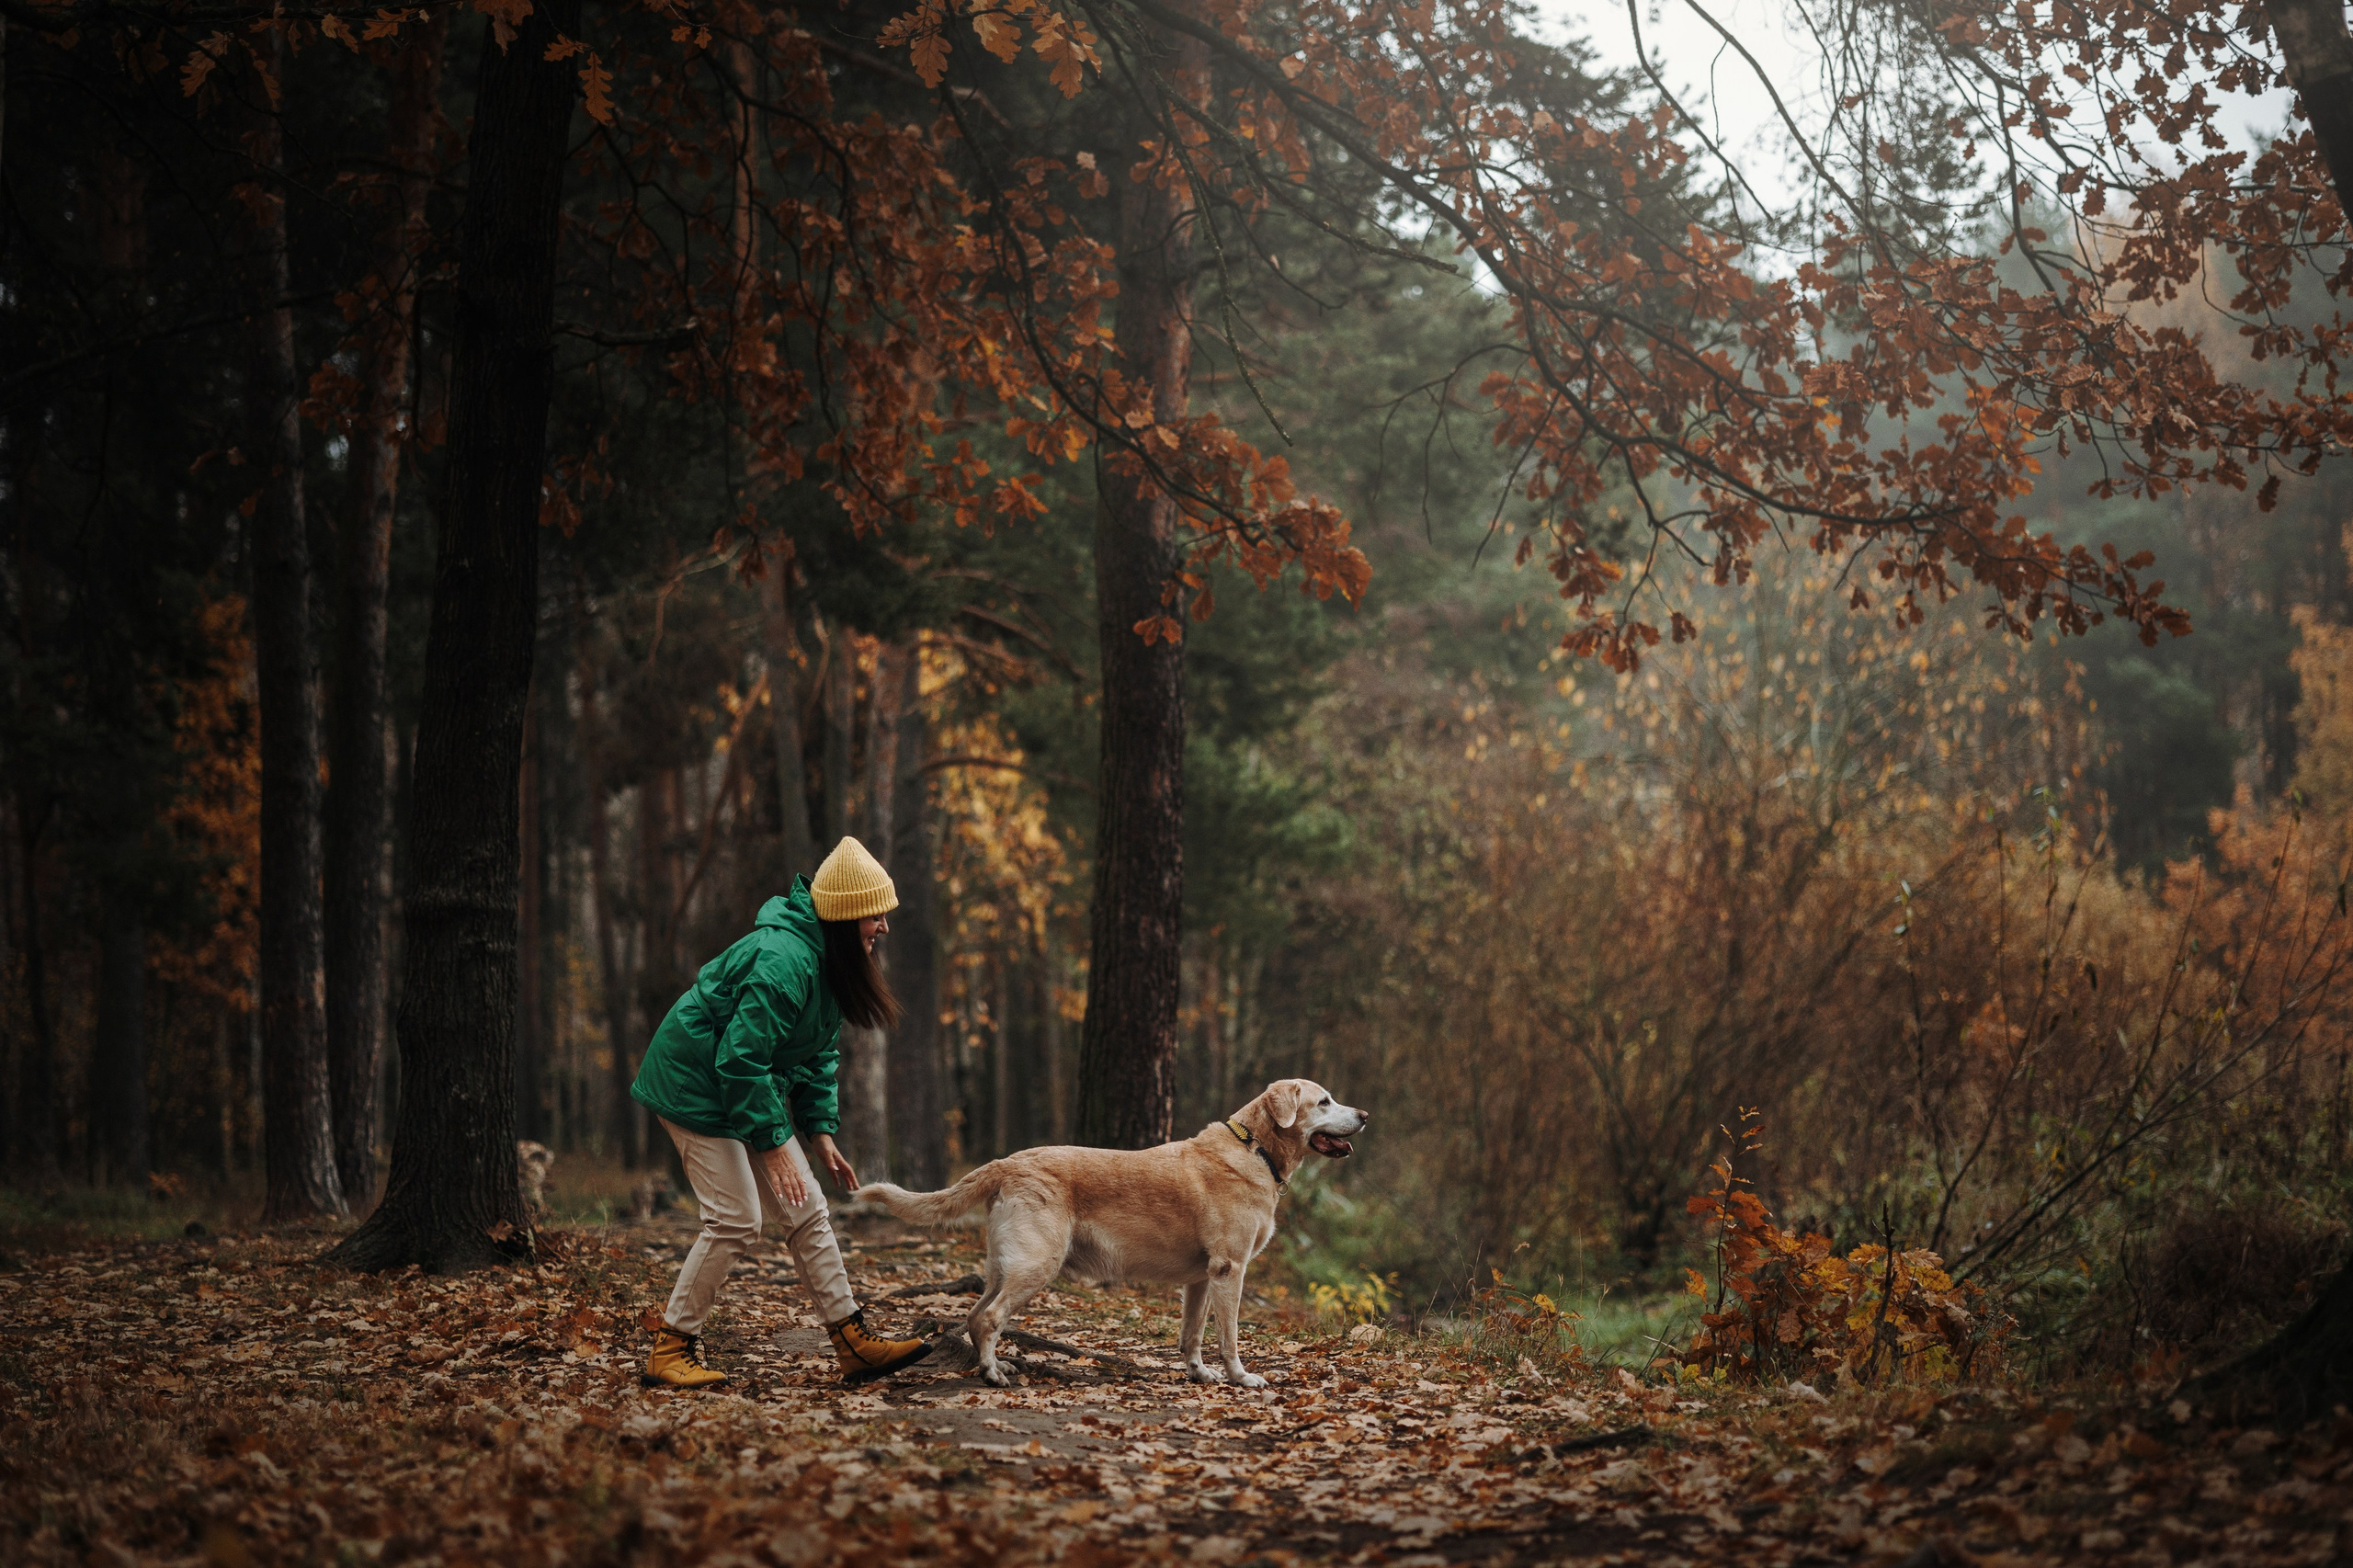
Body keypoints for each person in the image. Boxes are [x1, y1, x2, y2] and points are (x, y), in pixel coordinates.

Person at [630, 836, 932, 1389]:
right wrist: (772, 1148)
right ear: (842, 916)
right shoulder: (785, 960)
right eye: (875, 913)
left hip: (741, 1083)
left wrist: (819, 1136)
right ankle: (670, 1348)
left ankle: (851, 1341)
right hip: (694, 1079)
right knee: (736, 1218)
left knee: (806, 1207)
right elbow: (739, 1059)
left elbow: (818, 1051)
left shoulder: (832, 962)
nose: (884, 925)